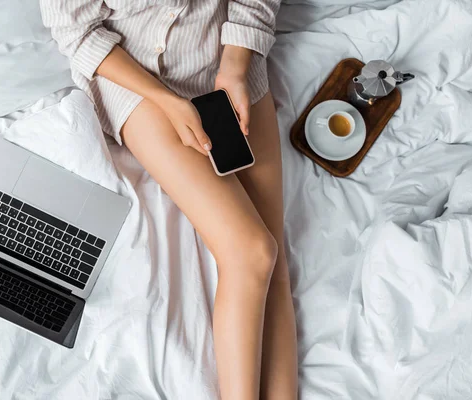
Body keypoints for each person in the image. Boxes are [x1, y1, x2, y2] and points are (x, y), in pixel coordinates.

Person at [39, 1, 297, 399]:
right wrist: (168, 102)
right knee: (252, 251)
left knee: (273, 263)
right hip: (136, 80)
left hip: (230, 64)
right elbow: (78, 33)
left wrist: (235, 65)